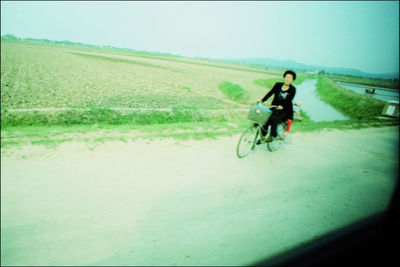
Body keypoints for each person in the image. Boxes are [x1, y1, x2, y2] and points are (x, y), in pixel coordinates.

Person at [258, 70, 297, 142]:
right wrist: (262, 100)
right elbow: (270, 93)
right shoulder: (278, 85)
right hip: (275, 107)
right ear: (284, 77)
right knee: (266, 119)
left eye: (290, 78)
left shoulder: (293, 89)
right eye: (286, 77)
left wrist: (282, 106)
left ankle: (274, 135)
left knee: (274, 118)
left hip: (285, 110)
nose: (287, 79)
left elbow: (289, 99)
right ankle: (262, 137)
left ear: (292, 80)